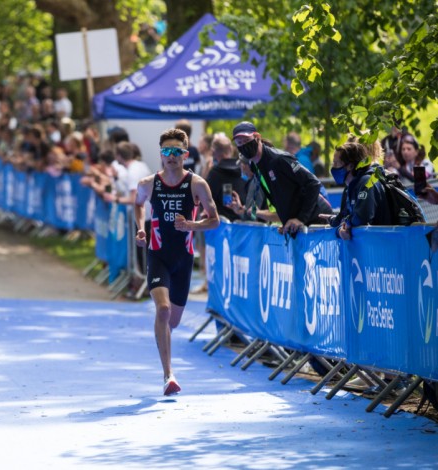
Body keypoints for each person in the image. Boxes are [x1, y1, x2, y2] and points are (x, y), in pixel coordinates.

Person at [134, 128, 220, 396]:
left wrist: (191, 225)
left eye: (176, 152)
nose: (171, 157)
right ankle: (168, 375)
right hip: (158, 255)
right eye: (166, 152)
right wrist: (141, 228)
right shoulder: (148, 183)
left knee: (173, 321)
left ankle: (164, 336)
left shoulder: (196, 184)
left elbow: (214, 219)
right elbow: (137, 204)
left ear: (185, 154)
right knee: (162, 310)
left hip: (183, 260)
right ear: (161, 155)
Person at [232, 121, 333, 236]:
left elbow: (313, 183)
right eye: (239, 143)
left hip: (317, 220)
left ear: (257, 137)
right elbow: (279, 198)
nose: (243, 145)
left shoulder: (279, 159)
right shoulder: (255, 166)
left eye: (246, 140)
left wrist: (300, 219)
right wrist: (286, 221)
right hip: (298, 225)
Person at [321, 142, 390, 240]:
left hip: (381, 245)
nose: (333, 167)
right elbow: (344, 215)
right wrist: (332, 220)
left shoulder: (367, 182)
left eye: (336, 163)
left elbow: (361, 217)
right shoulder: (350, 187)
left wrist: (347, 223)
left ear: (350, 166)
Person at [205, 133, 246, 222]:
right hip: (243, 226)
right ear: (231, 149)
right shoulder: (244, 169)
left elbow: (204, 198)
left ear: (213, 152)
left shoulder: (215, 173)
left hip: (220, 227)